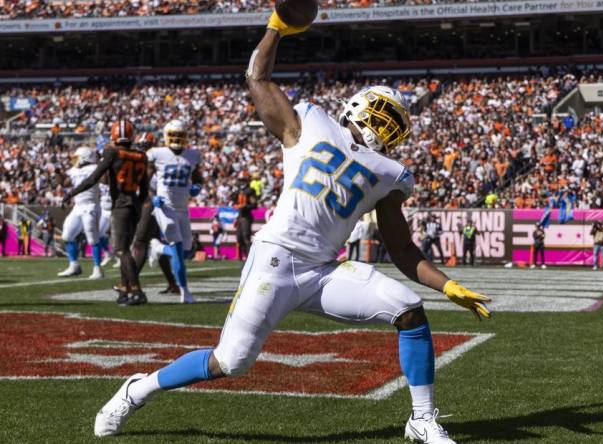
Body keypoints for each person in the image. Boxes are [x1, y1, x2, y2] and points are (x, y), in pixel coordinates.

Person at [93, 18, 491, 444]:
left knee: (409, 308)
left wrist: (447, 286)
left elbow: (402, 248)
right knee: (230, 362)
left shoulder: (390, 172)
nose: (389, 124)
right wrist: (276, 28)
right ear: (358, 106)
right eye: (384, 112)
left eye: (396, 119)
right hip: (276, 262)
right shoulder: (312, 122)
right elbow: (257, 77)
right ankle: (137, 390)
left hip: (323, 271)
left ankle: (422, 419)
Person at [63, 119, 150, 305]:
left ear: (115, 135)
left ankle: (136, 290)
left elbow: (93, 178)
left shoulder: (113, 151)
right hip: (134, 204)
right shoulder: (142, 156)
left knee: (121, 250)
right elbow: (144, 190)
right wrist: (136, 205)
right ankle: (125, 289)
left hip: (121, 205)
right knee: (125, 249)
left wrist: (71, 193)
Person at [146, 120, 204, 304]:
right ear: (166, 136)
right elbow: (144, 181)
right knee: (178, 250)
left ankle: (157, 248)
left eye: (180, 135)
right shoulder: (157, 154)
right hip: (165, 207)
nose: (177, 139)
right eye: (173, 135)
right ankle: (185, 292)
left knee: (186, 251)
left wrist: (197, 187)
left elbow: (197, 177)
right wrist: (151, 197)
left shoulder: (193, 155)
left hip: (182, 208)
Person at [129, 132, 179, 297]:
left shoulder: (157, 162)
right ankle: (173, 283)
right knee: (155, 243)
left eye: (145, 146)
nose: (142, 150)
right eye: (140, 146)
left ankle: (131, 282)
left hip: (153, 205)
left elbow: (154, 188)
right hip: (152, 204)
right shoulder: (149, 161)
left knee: (141, 241)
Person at [58, 147, 105, 279]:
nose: (75, 160)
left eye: (77, 157)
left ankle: (98, 269)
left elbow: (103, 181)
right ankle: (74, 265)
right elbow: (65, 183)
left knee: (92, 238)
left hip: (91, 206)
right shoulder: (74, 170)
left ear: (85, 157)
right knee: (67, 235)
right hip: (78, 207)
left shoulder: (94, 168)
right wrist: (58, 173)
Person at [234, 178, 257, 261]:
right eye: (240, 181)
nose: (240, 183)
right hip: (240, 217)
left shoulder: (250, 191)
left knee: (246, 237)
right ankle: (245, 256)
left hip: (246, 217)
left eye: (242, 181)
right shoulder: (239, 191)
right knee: (239, 238)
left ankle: (250, 257)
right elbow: (234, 201)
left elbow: (254, 205)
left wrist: (244, 206)